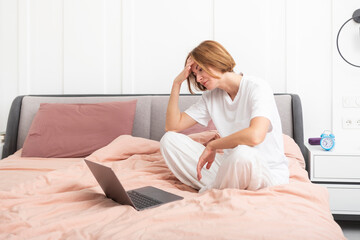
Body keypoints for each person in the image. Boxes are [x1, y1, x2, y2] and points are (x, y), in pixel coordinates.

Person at [160, 40, 289, 193]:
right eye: (195, 74)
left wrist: (213, 145)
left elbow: (255, 136)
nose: (199, 79)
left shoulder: (257, 87)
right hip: (230, 165)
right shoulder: (211, 97)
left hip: (265, 170)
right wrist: (176, 83)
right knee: (169, 140)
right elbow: (172, 126)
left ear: (214, 60)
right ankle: (221, 187)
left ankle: (213, 190)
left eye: (200, 70)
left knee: (243, 153)